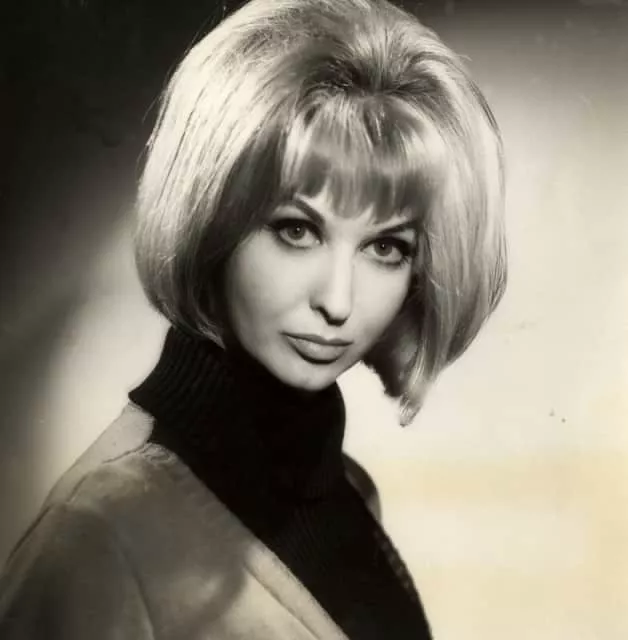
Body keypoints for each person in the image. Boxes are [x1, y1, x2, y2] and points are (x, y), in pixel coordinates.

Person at [0, 0, 507, 637]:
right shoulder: (97, 537)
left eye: (386, 247)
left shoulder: (345, 495)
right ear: (211, 218)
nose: (338, 302)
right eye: (296, 230)